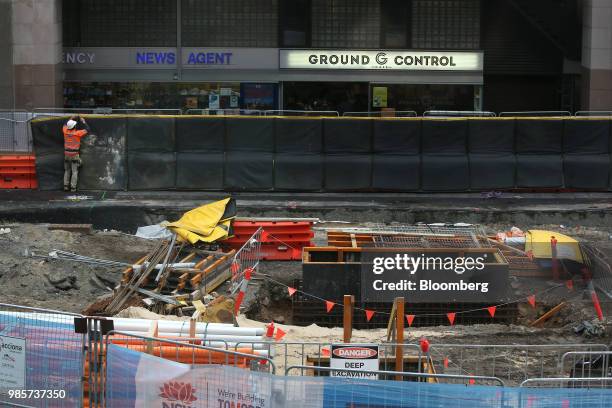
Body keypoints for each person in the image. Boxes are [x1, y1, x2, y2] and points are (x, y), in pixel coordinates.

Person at [62, 116, 90, 192]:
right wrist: (83, 121)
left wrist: (71, 117)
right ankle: (73, 188)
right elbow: (87, 129)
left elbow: (65, 124)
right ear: (74, 126)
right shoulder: (77, 133)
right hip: (74, 154)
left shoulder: (65, 131)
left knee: (67, 170)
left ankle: (65, 186)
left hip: (67, 154)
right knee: (74, 171)